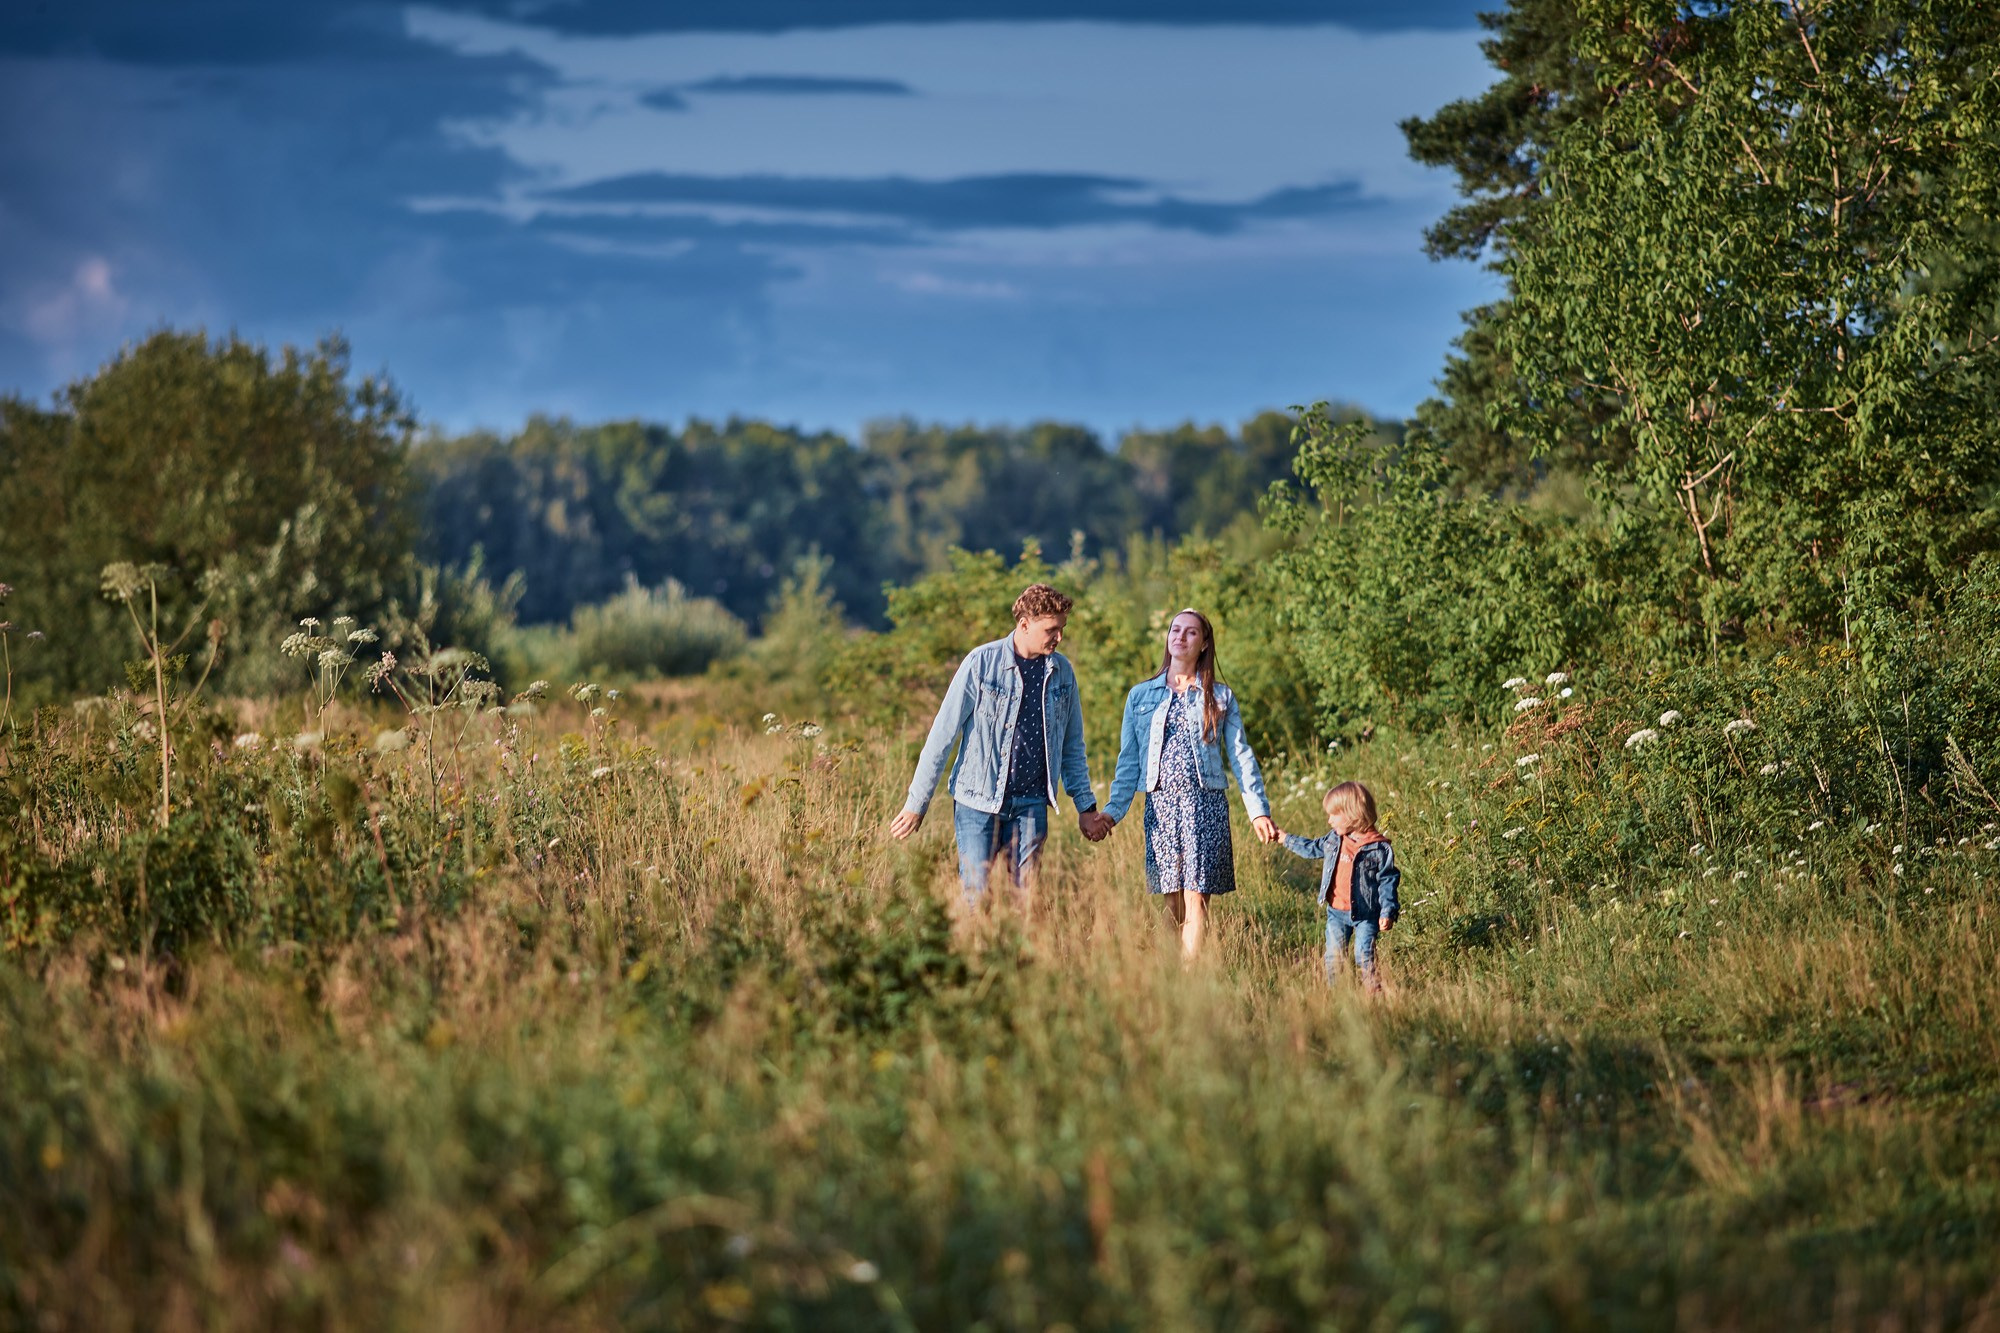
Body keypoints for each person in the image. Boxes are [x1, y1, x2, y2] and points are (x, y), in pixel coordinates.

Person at [890, 583, 1110, 905]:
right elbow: (942, 736)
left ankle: (1015, 958)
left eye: (1062, 629)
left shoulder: (1062, 673)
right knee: (977, 898)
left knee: (1024, 902)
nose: (1059, 637)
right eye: (1051, 629)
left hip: (1031, 805)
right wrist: (916, 804)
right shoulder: (982, 663)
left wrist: (1086, 808)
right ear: (1024, 624)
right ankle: (975, 955)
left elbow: (1072, 747)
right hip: (978, 802)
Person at [1100, 608, 1276, 960]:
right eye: (1175, 630)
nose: (1180, 637)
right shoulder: (1140, 696)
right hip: (1161, 807)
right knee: (1172, 899)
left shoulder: (1220, 697)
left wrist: (1257, 811)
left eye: (1190, 632)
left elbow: (1241, 756)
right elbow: (1128, 762)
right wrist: (1112, 812)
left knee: (1197, 896)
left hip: (1204, 805)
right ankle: (1170, 977)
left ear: (1204, 643)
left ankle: (1189, 976)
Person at [1275, 781, 1401, 991]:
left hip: (1365, 915)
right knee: (1333, 958)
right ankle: (1339, 997)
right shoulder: (1336, 839)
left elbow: (1388, 881)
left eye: (1334, 815)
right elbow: (1312, 848)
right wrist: (1285, 839)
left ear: (1352, 814)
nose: (1329, 820)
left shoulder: (1380, 848)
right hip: (1336, 913)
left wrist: (1387, 910)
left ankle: (1374, 996)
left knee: (1364, 956)